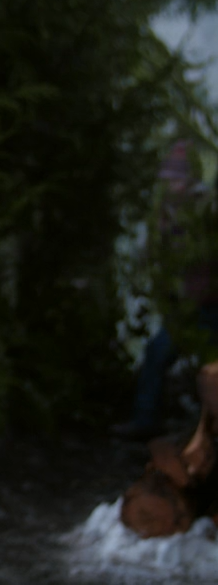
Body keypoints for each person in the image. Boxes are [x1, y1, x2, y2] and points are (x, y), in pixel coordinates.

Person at [115, 138, 218, 440]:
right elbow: (157, 253)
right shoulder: (168, 210)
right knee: (158, 352)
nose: (173, 184)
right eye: (170, 177)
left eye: (178, 176)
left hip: (209, 302)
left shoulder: (206, 208)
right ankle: (145, 421)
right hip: (186, 304)